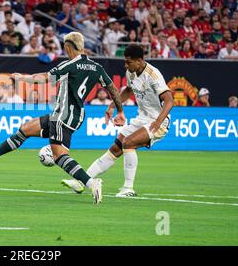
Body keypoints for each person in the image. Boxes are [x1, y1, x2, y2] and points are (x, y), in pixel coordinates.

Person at [0, 32, 126, 204]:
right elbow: (113, 88)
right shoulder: (96, 67)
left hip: (63, 115)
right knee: (26, 129)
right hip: (70, 114)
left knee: (59, 156)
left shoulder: (69, 65)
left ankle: (91, 183)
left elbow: (45, 78)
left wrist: (21, 77)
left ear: (68, 48)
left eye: (65, 47)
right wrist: (119, 111)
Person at [62, 45, 174, 198]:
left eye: (129, 62)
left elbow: (169, 101)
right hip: (142, 119)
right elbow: (128, 90)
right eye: (125, 62)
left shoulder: (153, 75)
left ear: (140, 61)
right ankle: (83, 181)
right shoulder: (131, 73)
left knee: (128, 143)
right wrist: (111, 106)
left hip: (158, 122)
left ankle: (128, 188)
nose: (126, 66)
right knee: (116, 148)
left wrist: (158, 122)